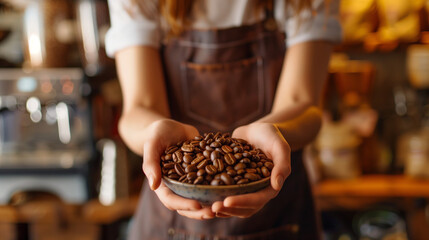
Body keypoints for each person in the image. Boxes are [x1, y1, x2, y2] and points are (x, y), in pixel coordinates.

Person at [105, 0, 341, 239]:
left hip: (281, 211)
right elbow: (140, 107)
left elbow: (303, 101)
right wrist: (154, 132)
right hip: (171, 216)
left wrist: (274, 131)